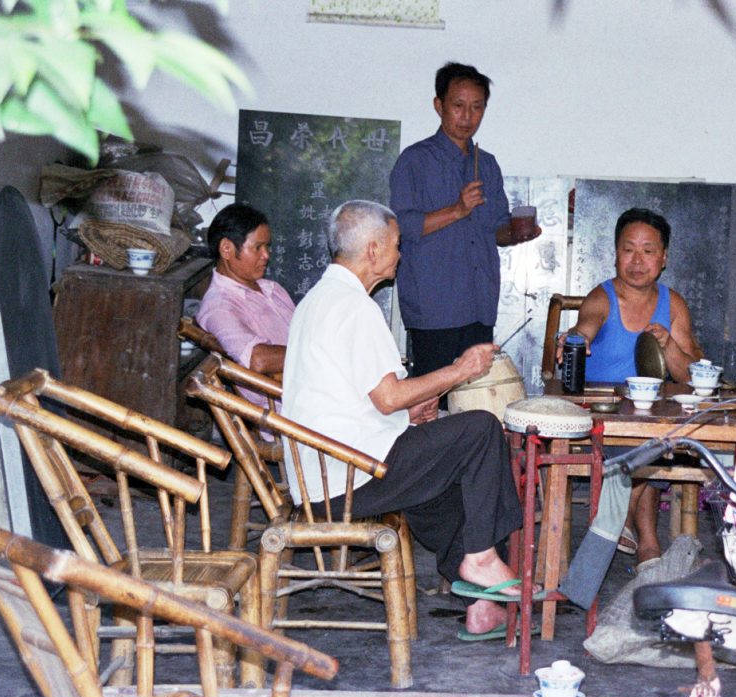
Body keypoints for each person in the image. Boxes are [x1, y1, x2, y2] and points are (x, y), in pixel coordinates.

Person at [282, 199, 525, 637]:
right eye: (396, 245)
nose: (401, 254)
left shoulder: (319, 300)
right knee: (481, 431)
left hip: (329, 473)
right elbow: (388, 397)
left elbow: (360, 397)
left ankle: (480, 603)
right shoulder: (354, 307)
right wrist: (462, 370)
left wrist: (414, 409)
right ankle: (483, 558)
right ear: (373, 249)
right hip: (348, 479)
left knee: (448, 475)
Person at [557, 208, 703, 566]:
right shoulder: (602, 297)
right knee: (644, 444)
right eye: (628, 249)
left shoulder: (674, 304)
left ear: (664, 257)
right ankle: (646, 538)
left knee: (656, 437)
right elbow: (585, 328)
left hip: (652, 417)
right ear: (615, 254)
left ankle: (628, 523)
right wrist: (574, 339)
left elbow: (694, 374)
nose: (637, 261)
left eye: (648, 251)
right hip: (604, 418)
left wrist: (668, 343)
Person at [389, 61, 540, 388]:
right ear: (438, 105)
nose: (467, 116)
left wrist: (515, 232)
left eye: (477, 108)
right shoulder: (414, 161)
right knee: (434, 402)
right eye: (458, 106)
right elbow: (401, 226)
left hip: (479, 303)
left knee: (474, 400)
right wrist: (457, 210)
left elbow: (496, 230)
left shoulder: (486, 164)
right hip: (434, 308)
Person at [197, 203, 294, 385]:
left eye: (267, 247)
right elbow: (256, 359)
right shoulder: (219, 307)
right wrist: (319, 353)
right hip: (286, 404)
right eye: (258, 247)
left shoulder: (272, 289)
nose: (266, 255)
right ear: (227, 249)